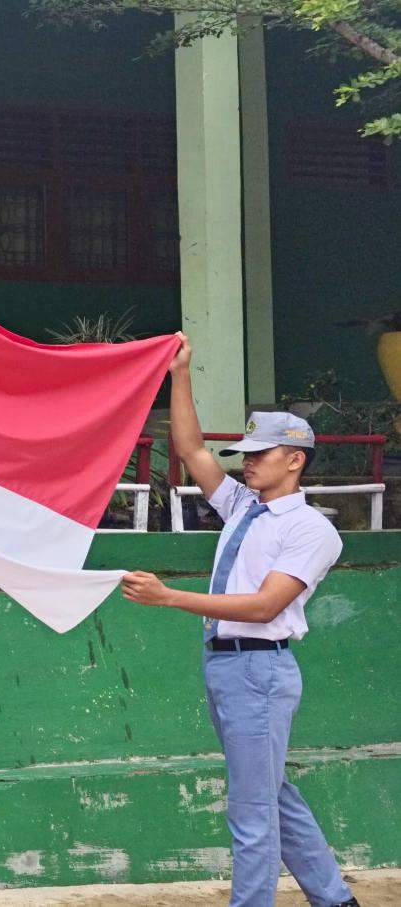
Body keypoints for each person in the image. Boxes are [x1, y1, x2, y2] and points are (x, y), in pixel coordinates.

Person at [121, 334, 359, 907]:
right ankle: (334, 899)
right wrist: (180, 373)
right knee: (272, 796)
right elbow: (192, 449)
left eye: (260, 453)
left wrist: (169, 598)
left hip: (259, 670)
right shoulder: (243, 505)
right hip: (229, 667)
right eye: (246, 453)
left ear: (295, 459)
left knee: (252, 811)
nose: (247, 461)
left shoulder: (310, 529)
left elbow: (264, 606)